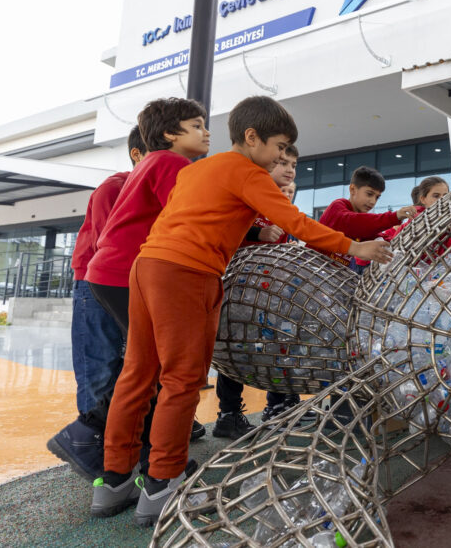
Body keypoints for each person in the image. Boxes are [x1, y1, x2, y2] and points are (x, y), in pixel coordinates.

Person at [90, 95, 391, 525]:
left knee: (138, 372)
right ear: (252, 138)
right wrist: (353, 245)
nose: (283, 157)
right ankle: (163, 481)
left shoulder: (201, 169)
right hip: (186, 273)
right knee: (182, 378)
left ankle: (114, 478)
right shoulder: (248, 171)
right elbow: (296, 222)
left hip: (146, 266)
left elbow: (200, 216)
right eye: (280, 147)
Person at [48, 97, 210, 482]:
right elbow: (125, 235)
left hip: (125, 276)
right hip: (107, 278)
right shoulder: (132, 178)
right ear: (143, 151)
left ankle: (132, 454)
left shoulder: (146, 174)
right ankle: (92, 442)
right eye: (198, 126)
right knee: (111, 367)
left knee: (139, 366)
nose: (207, 133)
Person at [213, 145, 301, 437]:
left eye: (294, 165)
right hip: (237, 288)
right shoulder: (247, 195)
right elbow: (222, 225)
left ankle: (277, 403)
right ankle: (228, 413)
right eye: (282, 162)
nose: (289, 169)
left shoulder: (281, 208)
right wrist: (256, 233)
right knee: (231, 348)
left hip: (268, 292)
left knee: (276, 346)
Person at [70, 126, 145, 415]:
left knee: (133, 370)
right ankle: (93, 447)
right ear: (136, 155)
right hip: (96, 284)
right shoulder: (114, 188)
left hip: (134, 284)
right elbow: (109, 246)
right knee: (98, 369)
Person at [309, 165, 417, 273]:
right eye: (369, 194)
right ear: (352, 189)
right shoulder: (337, 207)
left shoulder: (362, 227)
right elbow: (357, 223)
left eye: (377, 197)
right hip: (310, 269)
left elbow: (379, 238)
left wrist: (406, 242)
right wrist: (394, 216)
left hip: (329, 278)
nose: (373, 201)